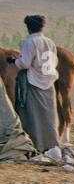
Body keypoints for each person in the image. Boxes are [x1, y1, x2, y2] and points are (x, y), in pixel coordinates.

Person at [9, 15, 59, 153]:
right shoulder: (50, 42)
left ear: (28, 27)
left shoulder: (29, 42)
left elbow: (24, 63)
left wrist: (13, 61)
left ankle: (35, 145)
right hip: (48, 82)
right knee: (48, 115)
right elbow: (55, 62)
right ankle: (51, 144)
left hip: (32, 82)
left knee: (30, 114)